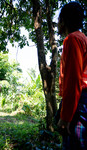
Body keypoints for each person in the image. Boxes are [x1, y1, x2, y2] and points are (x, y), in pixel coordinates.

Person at [57, 1, 87, 149]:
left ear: (63, 20)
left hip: (79, 102)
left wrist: (66, 117)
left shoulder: (73, 39)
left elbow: (74, 81)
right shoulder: (83, 39)